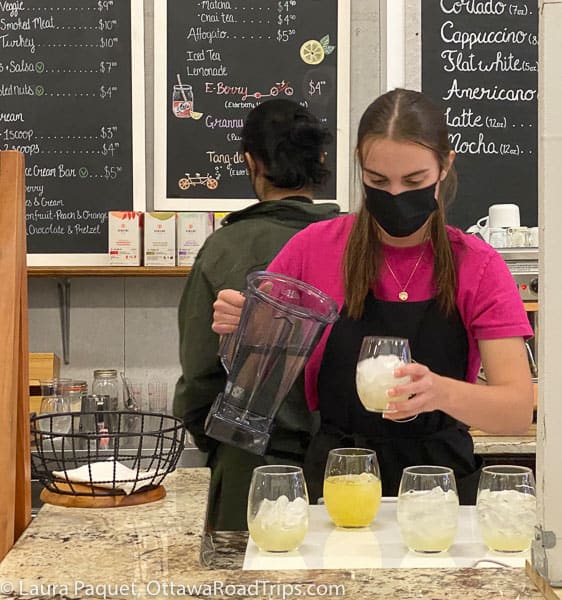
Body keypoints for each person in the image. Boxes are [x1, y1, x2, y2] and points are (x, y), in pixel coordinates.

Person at [212, 88, 534, 505]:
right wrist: (239, 328)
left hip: (439, 492)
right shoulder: (314, 249)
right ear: (360, 169)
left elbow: (514, 411)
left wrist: (438, 391)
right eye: (378, 181)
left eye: (415, 181)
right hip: (335, 485)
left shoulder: (477, 265)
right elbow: (255, 373)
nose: (396, 195)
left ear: (445, 165)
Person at [173, 98, 340, 530]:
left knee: (247, 586)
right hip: (346, 472)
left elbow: (199, 374)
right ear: (320, 160)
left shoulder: (225, 249)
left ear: (251, 162)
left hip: (250, 468)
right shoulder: (354, 245)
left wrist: (217, 442)